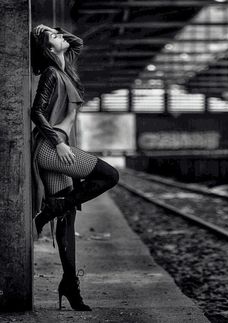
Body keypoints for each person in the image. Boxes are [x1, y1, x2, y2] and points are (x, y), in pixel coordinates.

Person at [30, 24, 119, 311]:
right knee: (109, 175)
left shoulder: (65, 68)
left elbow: (76, 42)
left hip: (57, 149)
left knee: (67, 220)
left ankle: (70, 284)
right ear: (48, 49)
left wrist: (50, 34)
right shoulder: (51, 74)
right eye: (54, 36)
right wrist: (57, 142)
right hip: (52, 149)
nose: (61, 35)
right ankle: (49, 212)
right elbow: (37, 112)